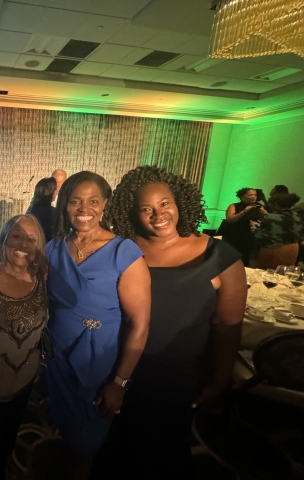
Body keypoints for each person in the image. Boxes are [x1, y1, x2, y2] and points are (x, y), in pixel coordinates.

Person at [100, 165, 246, 479]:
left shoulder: (220, 257)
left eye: (164, 203)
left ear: (179, 201)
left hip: (177, 382)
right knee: (109, 455)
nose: (158, 214)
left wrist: (220, 380)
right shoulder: (118, 251)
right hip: (116, 371)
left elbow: (228, 328)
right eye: (146, 208)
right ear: (132, 212)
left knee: (163, 459)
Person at [46, 171, 151, 479]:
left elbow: (140, 325)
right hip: (58, 356)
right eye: (76, 201)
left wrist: (119, 383)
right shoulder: (53, 248)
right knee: (67, 431)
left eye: (93, 201)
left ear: (105, 203)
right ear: (65, 204)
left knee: (87, 442)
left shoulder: (124, 252)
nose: (84, 209)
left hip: (100, 362)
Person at [0, 214, 49, 480]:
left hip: (25, 380)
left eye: (31, 239)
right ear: (4, 238)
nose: (24, 244)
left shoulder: (43, 276)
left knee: (7, 442)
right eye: (16, 235)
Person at [251, 192, 304, 269]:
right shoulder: (296, 216)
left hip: (274, 250)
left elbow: (261, 237)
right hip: (293, 249)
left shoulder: (272, 217)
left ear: (276, 204)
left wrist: (254, 228)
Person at [219, 187, 267, 266]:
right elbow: (230, 220)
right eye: (250, 195)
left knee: (245, 260)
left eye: (255, 195)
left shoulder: (258, 206)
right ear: (242, 197)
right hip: (234, 236)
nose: (253, 197)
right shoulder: (234, 206)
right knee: (229, 260)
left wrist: (264, 213)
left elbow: (264, 220)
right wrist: (244, 211)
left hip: (249, 237)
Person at [27, 177, 56, 242]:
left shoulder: (31, 210)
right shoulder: (53, 213)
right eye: (55, 190)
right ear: (50, 192)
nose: (56, 193)